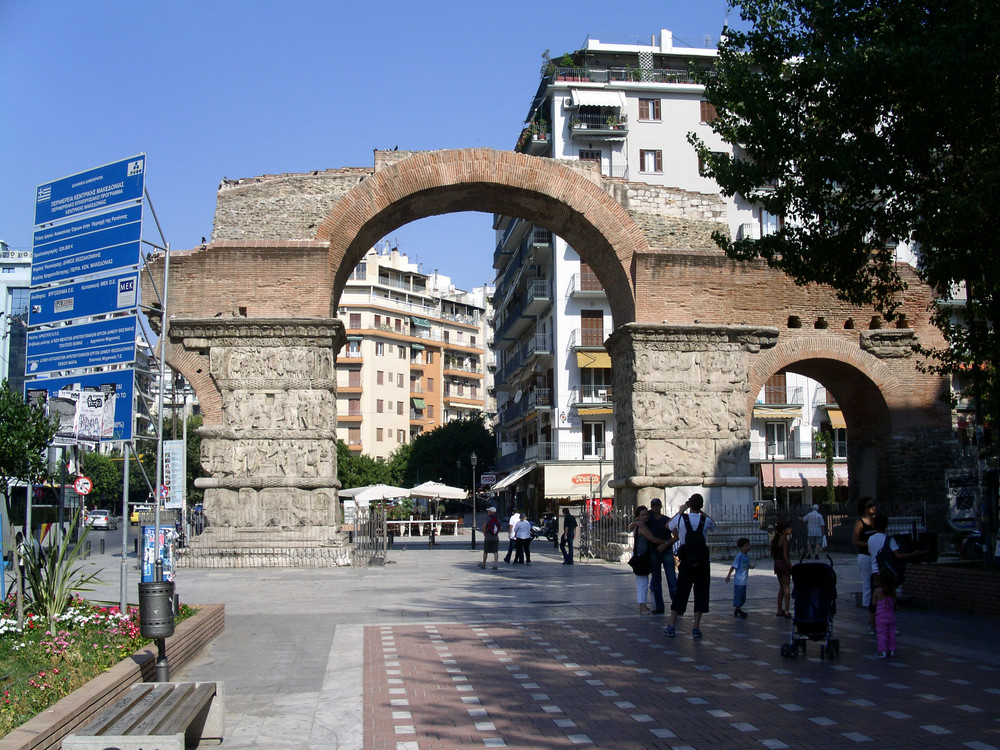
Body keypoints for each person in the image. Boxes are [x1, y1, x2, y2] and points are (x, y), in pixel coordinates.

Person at [664, 493, 715, 638]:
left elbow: (668, 526)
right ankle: (696, 627)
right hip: (703, 562)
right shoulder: (705, 520)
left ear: (689, 504)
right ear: (701, 505)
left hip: (686, 561)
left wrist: (681, 510)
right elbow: (713, 524)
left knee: (681, 592)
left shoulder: (681, 518)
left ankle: (672, 625)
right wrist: (700, 511)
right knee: (701, 593)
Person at [867, 513, 923, 636]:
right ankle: (889, 624)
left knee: (874, 601)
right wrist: (914, 554)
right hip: (886, 573)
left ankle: (873, 625)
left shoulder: (870, 539)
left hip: (875, 573)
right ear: (886, 525)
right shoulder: (889, 540)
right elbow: (898, 556)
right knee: (889, 599)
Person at [629, 506, 672, 615]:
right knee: (642, 583)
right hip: (641, 557)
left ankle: (643, 606)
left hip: (641, 555)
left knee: (643, 582)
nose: (646, 517)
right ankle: (642, 607)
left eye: (646, 514)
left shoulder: (639, 524)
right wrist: (666, 542)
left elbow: (630, 526)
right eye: (642, 515)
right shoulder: (642, 527)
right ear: (638, 517)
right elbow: (652, 539)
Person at [646, 498, 677, 614]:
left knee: (672, 579)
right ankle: (659, 607)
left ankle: (676, 606)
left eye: (657, 505)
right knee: (656, 580)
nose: (655, 507)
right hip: (654, 551)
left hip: (667, 551)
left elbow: (676, 536)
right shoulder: (649, 520)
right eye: (653, 505)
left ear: (660, 506)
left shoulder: (666, 520)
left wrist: (665, 544)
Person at [852, 497, 878, 622]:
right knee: (867, 583)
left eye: (874, 505)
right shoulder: (860, 522)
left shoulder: (876, 521)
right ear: (864, 509)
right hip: (865, 555)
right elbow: (855, 541)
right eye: (870, 506)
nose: (873, 507)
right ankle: (869, 608)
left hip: (877, 555)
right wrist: (870, 544)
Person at [872, 568, 898, 658]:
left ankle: (882, 650)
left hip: (880, 617)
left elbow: (873, 603)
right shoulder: (893, 592)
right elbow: (894, 603)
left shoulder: (877, 591)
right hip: (891, 616)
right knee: (891, 634)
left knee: (881, 634)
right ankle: (892, 650)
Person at [725, 537, 753, 618]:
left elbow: (746, 565)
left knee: (743, 596)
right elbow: (733, 566)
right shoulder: (739, 556)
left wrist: (751, 567)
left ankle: (738, 608)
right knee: (739, 595)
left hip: (744, 579)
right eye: (746, 545)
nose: (749, 547)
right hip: (739, 580)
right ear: (741, 547)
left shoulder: (746, 556)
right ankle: (738, 609)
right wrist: (728, 575)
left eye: (749, 545)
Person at [771, 521, 793, 618]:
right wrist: (791, 567)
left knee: (781, 587)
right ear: (783, 530)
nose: (790, 529)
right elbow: (785, 556)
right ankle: (787, 610)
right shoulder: (785, 541)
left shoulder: (775, 540)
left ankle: (779, 609)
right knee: (787, 588)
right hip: (783, 564)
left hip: (777, 563)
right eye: (788, 528)